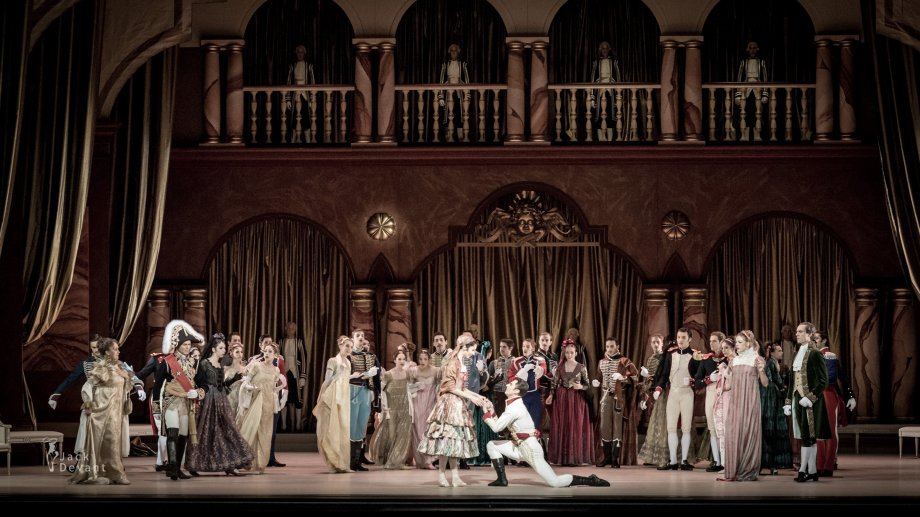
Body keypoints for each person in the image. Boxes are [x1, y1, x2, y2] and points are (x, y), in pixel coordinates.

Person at [483, 379, 610, 488]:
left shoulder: (514, 408)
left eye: (510, 385)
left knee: (555, 482)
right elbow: (500, 424)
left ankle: (590, 480)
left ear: (516, 391)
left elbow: (496, 428)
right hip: (520, 447)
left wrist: (486, 412)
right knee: (492, 445)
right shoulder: (513, 405)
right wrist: (492, 411)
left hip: (530, 449)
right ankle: (502, 480)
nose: (507, 385)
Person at [417, 334, 489, 487]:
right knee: (446, 442)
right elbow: (450, 388)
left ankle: (455, 476)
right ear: (464, 347)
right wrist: (472, 398)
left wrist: (478, 397)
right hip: (449, 404)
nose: (473, 353)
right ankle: (442, 476)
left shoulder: (462, 362)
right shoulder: (453, 362)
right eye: (472, 349)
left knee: (454, 443)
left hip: (458, 403)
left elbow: (461, 388)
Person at [185, 333, 253, 475]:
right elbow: (197, 382)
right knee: (205, 432)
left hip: (221, 401)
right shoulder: (204, 364)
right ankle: (194, 464)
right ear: (214, 349)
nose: (224, 350)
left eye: (223, 348)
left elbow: (222, 384)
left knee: (227, 430)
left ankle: (229, 464)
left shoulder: (220, 365)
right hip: (208, 401)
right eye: (221, 348)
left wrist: (235, 378)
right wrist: (198, 395)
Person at [69, 338, 133, 485]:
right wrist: (88, 404)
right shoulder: (102, 366)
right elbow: (87, 386)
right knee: (109, 440)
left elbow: (125, 385)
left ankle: (112, 473)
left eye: (117, 348)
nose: (118, 351)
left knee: (114, 440)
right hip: (102, 410)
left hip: (116, 410)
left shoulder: (118, 366)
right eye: (115, 349)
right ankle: (109, 473)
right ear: (107, 352)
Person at [152, 320, 204, 481]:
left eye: (189, 344)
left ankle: (178, 468)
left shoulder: (194, 363)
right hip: (171, 402)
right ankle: (173, 468)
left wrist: (198, 393)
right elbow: (158, 385)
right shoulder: (167, 362)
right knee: (173, 433)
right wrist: (156, 408)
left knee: (183, 435)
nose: (188, 347)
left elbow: (203, 384)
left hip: (186, 404)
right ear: (177, 344)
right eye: (185, 344)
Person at [784, 322, 830, 482]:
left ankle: (803, 470)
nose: (796, 334)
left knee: (807, 437)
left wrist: (810, 397)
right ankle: (813, 471)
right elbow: (792, 380)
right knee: (804, 436)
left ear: (809, 334)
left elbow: (824, 380)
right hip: (797, 399)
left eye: (800, 331)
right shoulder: (798, 352)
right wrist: (788, 401)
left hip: (809, 402)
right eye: (797, 331)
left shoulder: (815, 354)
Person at [719, 331, 767, 482]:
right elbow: (729, 385)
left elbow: (765, 383)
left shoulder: (756, 359)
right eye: (736, 342)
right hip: (736, 402)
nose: (737, 345)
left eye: (739, 342)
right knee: (733, 432)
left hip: (750, 401)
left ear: (748, 343)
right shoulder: (734, 361)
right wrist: (720, 381)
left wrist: (762, 371)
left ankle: (748, 469)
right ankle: (734, 468)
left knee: (748, 433)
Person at [653, 327, 701, 470]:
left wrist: (694, 381)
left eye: (683, 337)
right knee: (671, 428)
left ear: (690, 339)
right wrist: (658, 388)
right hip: (673, 394)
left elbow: (699, 375)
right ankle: (673, 461)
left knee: (686, 428)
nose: (680, 340)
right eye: (679, 337)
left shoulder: (695, 355)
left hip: (687, 394)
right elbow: (664, 374)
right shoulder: (671, 354)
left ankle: (684, 460)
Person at [236, 341, 287, 474]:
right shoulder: (257, 366)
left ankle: (260, 463)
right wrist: (254, 388)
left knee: (265, 433)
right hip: (255, 402)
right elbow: (245, 383)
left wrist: (281, 386)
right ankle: (248, 461)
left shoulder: (276, 370)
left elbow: (272, 388)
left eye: (270, 351)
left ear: (276, 355)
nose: (267, 354)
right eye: (265, 351)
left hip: (268, 404)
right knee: (252, 430)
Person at [546, 339, 594, 466]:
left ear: (576, 353)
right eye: (567, 352)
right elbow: (554, 383)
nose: (569, 355)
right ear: (564, 353)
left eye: (571, 352)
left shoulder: (581, 367)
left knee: (575, 425)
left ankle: (575, 457)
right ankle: (563, 457)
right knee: (563, 425)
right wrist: (551, 395)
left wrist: (581, 387)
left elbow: (588, 385)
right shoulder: (560, 367)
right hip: (562, 399)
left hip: (576, 399)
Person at [591, 337, 638, 468]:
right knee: (604, 426)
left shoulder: (624, 361)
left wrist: (623, 377)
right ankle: (606, 457)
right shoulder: (601, 362)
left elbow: (635, 377)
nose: (610, 349)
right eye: (607, 347)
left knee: (617, 426)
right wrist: (596, 381)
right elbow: (598, 377)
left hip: (619, 397)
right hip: (605, 396)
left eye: (612, 346)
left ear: (618, 346)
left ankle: (615, 458)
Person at [815, 331, 856, 477]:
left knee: (830, 432)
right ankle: (819, 465)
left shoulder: (828, 355)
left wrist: (851, 396)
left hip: (827, 395)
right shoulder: (814, 355)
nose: (814, 340)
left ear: (824, 340)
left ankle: (827, 465)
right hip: (817, 396)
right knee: (818, 432)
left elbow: (832, 378)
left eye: (817, 338)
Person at [313, 335, 354, 473]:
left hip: (342, 399)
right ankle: (333, 463)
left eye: (351, 347)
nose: (349, 349)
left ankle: (342, 464)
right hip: (331, 398)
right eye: (347, 345)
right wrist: (338, 374)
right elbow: (327, 381)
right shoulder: (333, 361)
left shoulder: (348, 363)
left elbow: (346, 380)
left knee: (342, 430)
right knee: (330, 430)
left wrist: (357, 376)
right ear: (340, 346)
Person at [371, 350, 414, 469]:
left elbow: (411, 388)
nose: (401, 361)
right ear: (394, 360)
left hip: (404, 407)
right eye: (399, 359)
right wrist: (383, 406)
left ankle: (397, 460)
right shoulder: (388, 374)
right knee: (391, 433)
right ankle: (387, 458)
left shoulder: (407, 374)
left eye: (403, 359)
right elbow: (381, 389)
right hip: (392, 408)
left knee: (403, 434)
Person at [694, 331, 726, 472]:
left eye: (714, 341)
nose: (711, 343)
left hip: (725, 395)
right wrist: (708, 380)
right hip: (711, 395)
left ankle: (726, 461)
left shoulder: (728, 359)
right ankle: (717, 461)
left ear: (721, 342)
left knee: (723, 430)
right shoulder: (707, 359)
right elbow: (697, 382)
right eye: (710, 340)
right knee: (713, 429)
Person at [349, 329, 380, 471]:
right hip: (353, 391)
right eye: (357, 336)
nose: (361, 338)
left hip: (366, 392)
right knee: (352, 426)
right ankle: (350, 460)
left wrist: (375, 392)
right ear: (352, 338)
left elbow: (376, 378)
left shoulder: (371, 356)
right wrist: (366, 374)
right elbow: (347, 375)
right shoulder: (349, 356)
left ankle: (357, 460)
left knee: (361, 427)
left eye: (362, 336)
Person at [761, 341, 792, 475]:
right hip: (770, 398)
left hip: (775, 397)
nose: (781, 352)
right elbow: (774, 381)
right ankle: (770, 463)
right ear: (772, 352)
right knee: (770, 429)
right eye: (778, 350)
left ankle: (775, 462)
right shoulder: (769, 363)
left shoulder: (775, 364)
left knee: (775, 430)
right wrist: (783, 390)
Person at [638, 335, 668, 467]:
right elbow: (647, 382)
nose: (655, 344)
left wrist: (648, 375)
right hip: (651, 394)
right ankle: (652, 457)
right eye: (653, 342)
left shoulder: (664, 357)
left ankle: (663, 457)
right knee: (653, 425)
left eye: (658, 342)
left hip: (661, 393)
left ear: (662, 343)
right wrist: (644, 397)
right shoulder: (650, 358)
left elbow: (662, 376)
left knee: (661, 424)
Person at [409, 349, 441, 469]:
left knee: (428, 429)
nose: (422, 361)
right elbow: (408, 388)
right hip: (417, 402)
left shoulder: (436, 370)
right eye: (420, 359)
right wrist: (416, 386)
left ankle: (429, 460)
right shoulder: (414, 371)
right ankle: (421, 460)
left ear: (429, 360)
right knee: (418, 430)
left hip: (430, 402)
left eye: (425, 359)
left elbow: (439, 385)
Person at [507, 338, 549, 431]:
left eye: (527, 346)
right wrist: (518, 376)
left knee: (536, 420)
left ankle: (536, 441)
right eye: (523, 346)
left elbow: (544, 369)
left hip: (535, 396)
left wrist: (541, 370)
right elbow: (510, 379)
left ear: (533, 348)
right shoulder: (516, 361)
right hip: (521, 396)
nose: (524, 348)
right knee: (522, 421)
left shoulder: (540, 360)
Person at [589, 41, 622, 141]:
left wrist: (618, 95)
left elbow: (618, 78)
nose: (604, 50)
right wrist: (591, 97)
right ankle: (601, 139)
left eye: (606, 48)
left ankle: (610, 140)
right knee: (598, 116)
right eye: (602, 48)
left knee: (611, 115)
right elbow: (592, 79)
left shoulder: (614, 62)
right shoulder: (596, 63)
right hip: (599, 91)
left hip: (610, 91)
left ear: (609, 50)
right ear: (600, 50)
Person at [438, 43, 470, 141]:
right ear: (449, 52)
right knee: (447, 114)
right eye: (452, 50)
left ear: (458, 52)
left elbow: (467, 80)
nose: (453, 52)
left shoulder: (463, 64)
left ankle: (460, 136)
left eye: (455, 50)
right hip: (448, 93)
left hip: (459, 93)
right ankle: (448, 136)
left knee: (459, 114)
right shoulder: (445, 65)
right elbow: (441, 80)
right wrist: (441, 96)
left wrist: (467, 95)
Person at [279, 322, 308, 432]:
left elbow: (304, 360)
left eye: (292, 328)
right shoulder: (281, 342)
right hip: (284, 375)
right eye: (289, 328)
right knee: (284, 399)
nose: (290, 330)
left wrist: (303, 377)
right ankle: (284, 426)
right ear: (286, 329)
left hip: (296, 374)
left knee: (297, 400)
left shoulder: (299, 342)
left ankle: (298, 426)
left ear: (295, 330)